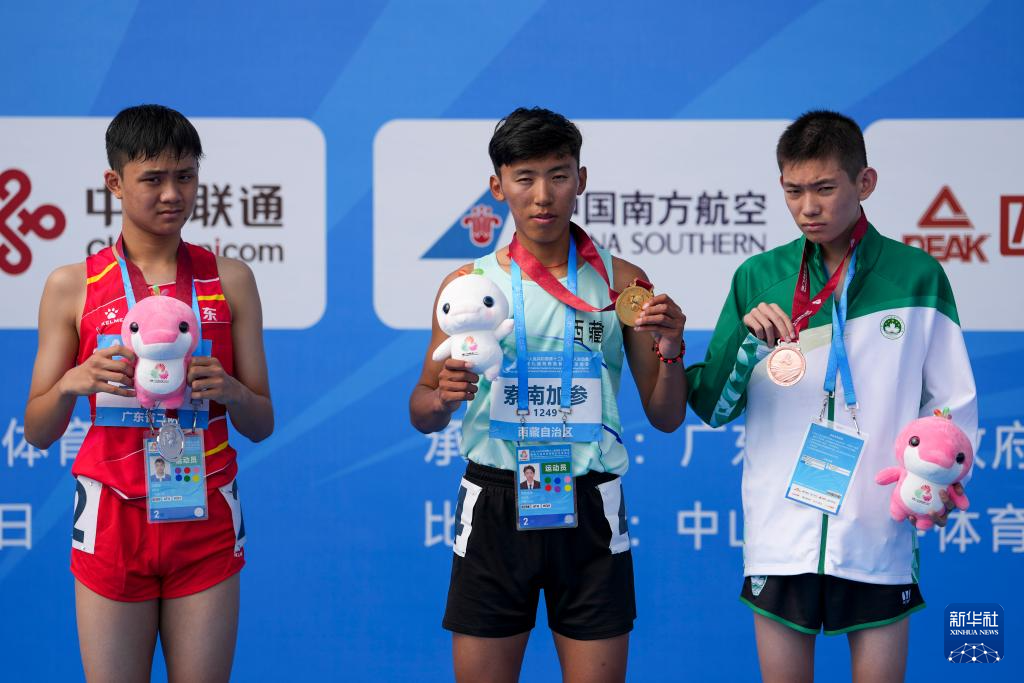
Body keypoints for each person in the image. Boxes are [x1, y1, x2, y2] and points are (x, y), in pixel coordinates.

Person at [685, 110, 977, 683]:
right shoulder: (759, 277)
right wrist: (746, 343)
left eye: (823, 188)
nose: (807, 208)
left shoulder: (917, 277)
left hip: (878, 528)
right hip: (780, 531)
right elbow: (713, 408)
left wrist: (941, 479)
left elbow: (951, 402)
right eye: (793, 191)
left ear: (864, 183)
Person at [410, 107, 688, 683]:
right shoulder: (468, 287)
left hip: (590, 501)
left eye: (559, 176)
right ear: (498, 187)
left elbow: (665, 415)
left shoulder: (623, 283)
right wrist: (441, 398)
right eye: (525, 178)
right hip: (495, 501)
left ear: (580, 180)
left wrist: (670, 349)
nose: (543, 195)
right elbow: (422, 409)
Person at [24, 104, 274, 682]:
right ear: (114, 183)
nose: (171, 194)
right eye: (152, 179)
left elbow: (262, 422)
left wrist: (232, 390)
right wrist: (71, 383)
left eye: (185, 177)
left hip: (204, 513)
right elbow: (37, 431)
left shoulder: (230, 279)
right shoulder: (72, 286)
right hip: (112, 516)